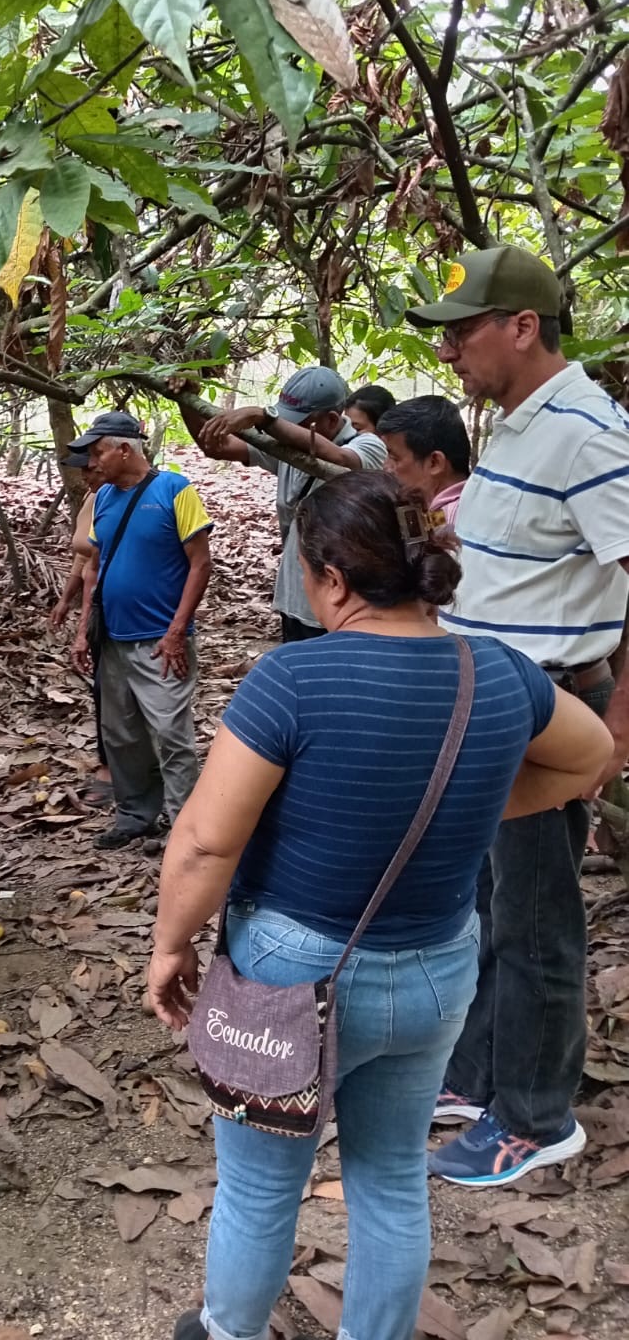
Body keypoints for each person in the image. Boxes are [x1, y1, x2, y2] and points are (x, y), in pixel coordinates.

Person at [147, 472, 611, 1340]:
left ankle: (229, 1331)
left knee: (260, 1184)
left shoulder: (292, 679)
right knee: (391, 1174)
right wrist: (474, 806)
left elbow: (207, 843)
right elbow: (589, 755)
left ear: (332, 577)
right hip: (434, 973)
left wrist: (171, 944)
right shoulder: (496, 672)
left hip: (292, 969)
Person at [403, 244, 629, 1185]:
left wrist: (616, 736)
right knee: (490, 901)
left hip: (550, 706)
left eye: (462, 332)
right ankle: (482, 1073)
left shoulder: (587, 432)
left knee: (536, 919)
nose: (449, 351)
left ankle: (538, 1118)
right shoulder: (516, 424)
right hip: (495, 703)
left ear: (523, 326)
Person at [69, 411, 212, 850]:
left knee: (170, 733)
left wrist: (177, 631)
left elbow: (200, 563)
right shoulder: (104, 499)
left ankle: (184, 824)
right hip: (113, 637)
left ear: (124, 449)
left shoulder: (175, 489)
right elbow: (96, 566)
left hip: (159, 639)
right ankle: (135, 815)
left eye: (99, 452)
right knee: (121, 734)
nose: (94, 463)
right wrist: (83, 628)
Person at [189, 365, 386, 642]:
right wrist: (186, 400)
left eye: (298, 422)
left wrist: (264, 418)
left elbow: (342, 460)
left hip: (346, 607)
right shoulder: (286, 446)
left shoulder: (368, 445)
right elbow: (217, 447)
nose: (286, 428)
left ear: (331, 419)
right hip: (297, 597)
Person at [49, 449, 112, 806]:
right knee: (103, 688)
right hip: (97, 602)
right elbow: (83, 555)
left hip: (127, 605)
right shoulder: (94, 496)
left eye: (90, 468)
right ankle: (108, 765)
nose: (85, 475)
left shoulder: (136, 497)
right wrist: (66, 599)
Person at [377, 395, 470, 527]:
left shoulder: (447, 519)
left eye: (395, 458)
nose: (386, 467)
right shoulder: (464, 504)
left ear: (434, 463)